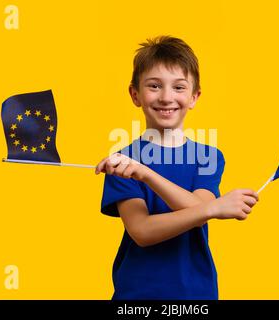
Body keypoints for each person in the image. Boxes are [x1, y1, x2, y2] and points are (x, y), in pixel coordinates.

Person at [95, 36, 259, 300]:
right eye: (154, 86)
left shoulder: (208, 156)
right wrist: (215, 207)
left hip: (197, 294)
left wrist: (147, 174)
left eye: (179, 87)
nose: (166, 97)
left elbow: (197, 208)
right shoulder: (122, 162)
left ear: (194, 97)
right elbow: (142, 232)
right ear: (135, 94)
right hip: (137, 296)